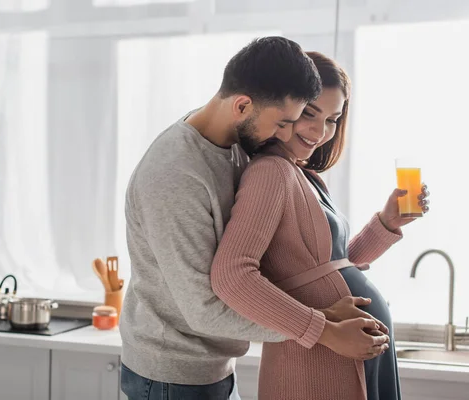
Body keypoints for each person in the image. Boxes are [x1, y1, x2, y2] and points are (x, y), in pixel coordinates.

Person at [120, 38, 390, 400]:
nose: (288, 135)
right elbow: (206, 307)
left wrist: (387, 226)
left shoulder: (237, 148)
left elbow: (311, 266)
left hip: (214, 368)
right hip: (173, 375)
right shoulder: (175, 173)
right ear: (243, 105)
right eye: (284, 123)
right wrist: (323, 327)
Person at [211, 51, 430, 400]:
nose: (320, 131)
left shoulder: (304, 175)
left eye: (332, 119)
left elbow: (329, 267)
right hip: (316, 360)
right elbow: (231, 274)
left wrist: (386, 223)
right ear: (286, 109)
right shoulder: (271, 172)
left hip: (342, 352)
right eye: (309, 114)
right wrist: (322, 330)